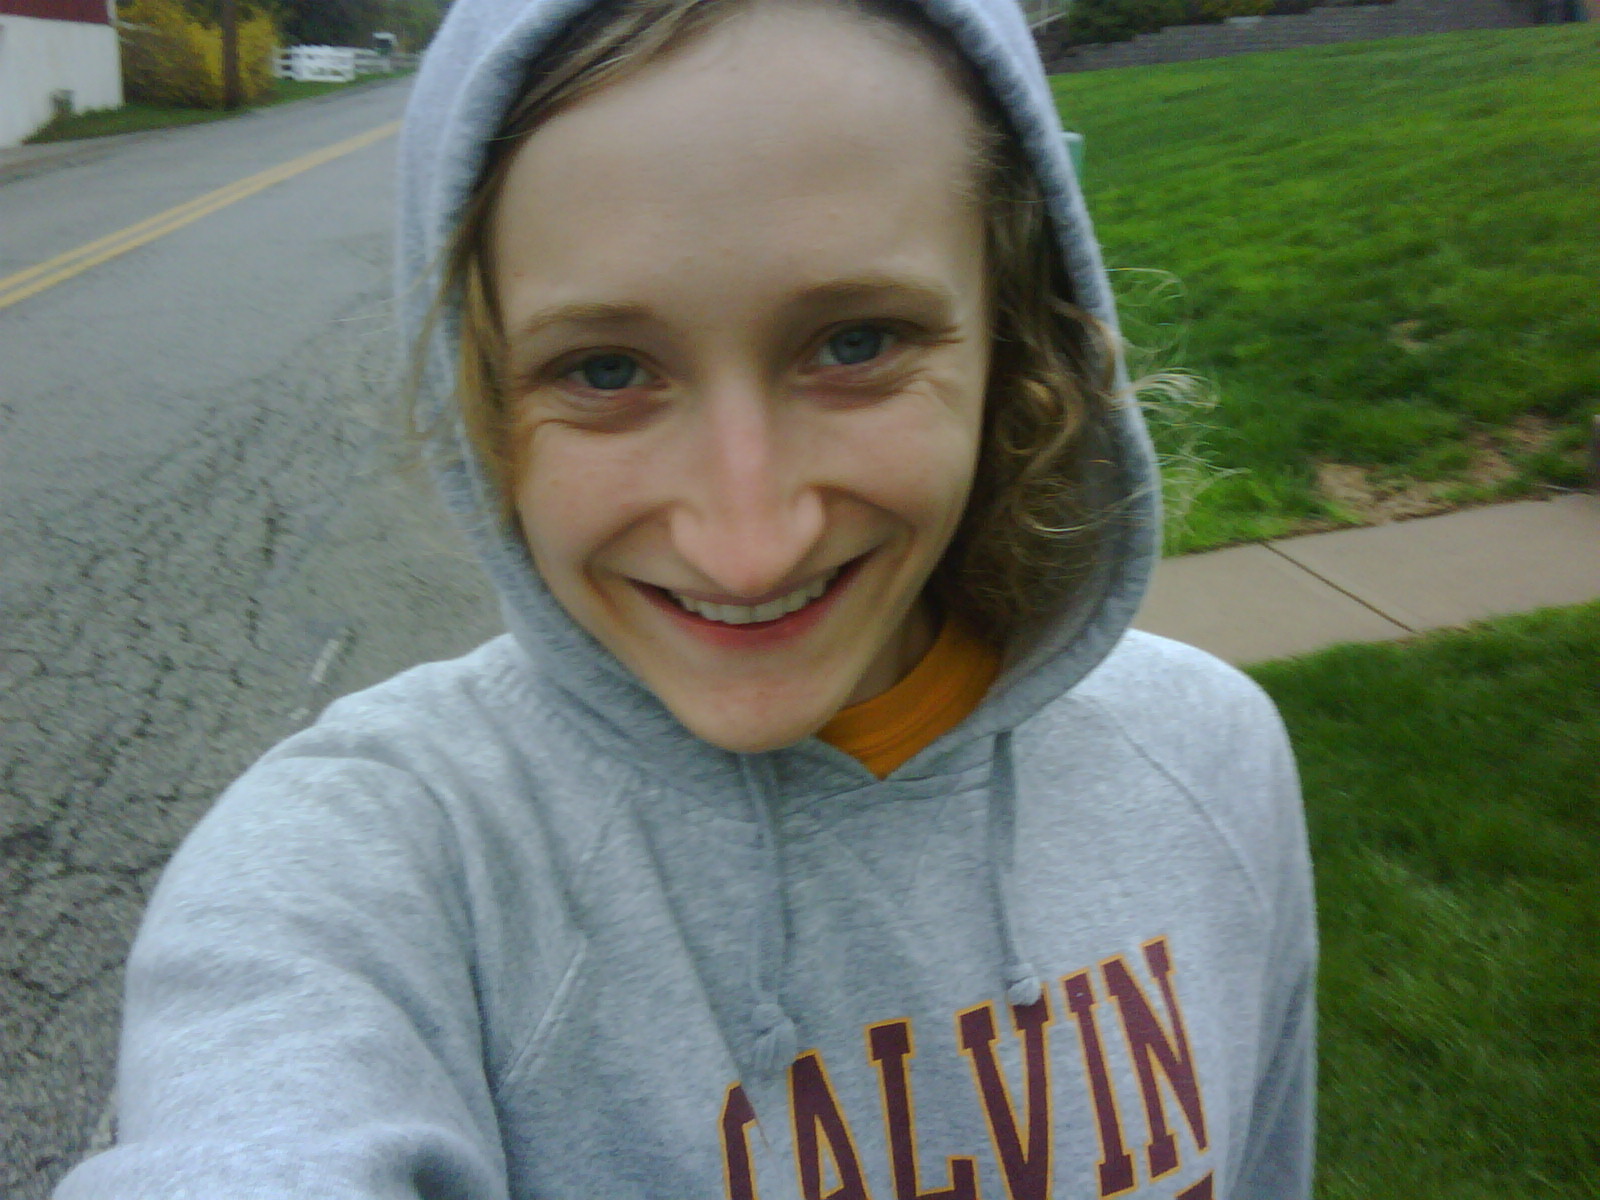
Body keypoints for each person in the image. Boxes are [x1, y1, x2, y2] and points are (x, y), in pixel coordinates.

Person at [56, 0, 1316, 1196]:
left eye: (857, 342)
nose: (748, 547)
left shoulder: (1211, 760)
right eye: (606, 370)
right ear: (480, 387)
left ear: (1013, 335)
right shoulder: (371, 865)